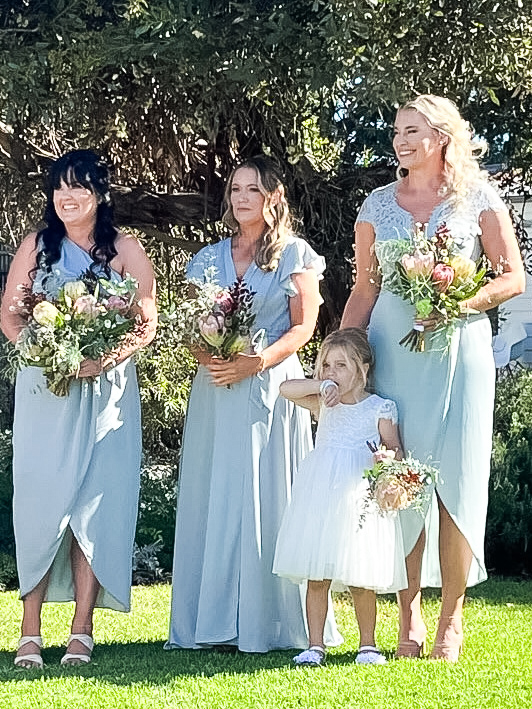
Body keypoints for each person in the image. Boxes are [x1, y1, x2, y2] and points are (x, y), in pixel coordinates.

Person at [341, 95, 525, 661]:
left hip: (462, 355)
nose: (400, 140)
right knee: (397, 480)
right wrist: (343, 356)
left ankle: (450, 617)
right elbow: (365, 290)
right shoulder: (376, 204)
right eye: (396, 130)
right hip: (395, 358)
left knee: (457, 484)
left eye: (412, 130)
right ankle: (408, 614)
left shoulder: (479, 200)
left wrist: (464, 302)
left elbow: (512, 277)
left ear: (443, 137)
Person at [166, 155, 341, 653]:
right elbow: (191, 322)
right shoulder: (207, 258)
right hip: (216, 387)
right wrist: (212, 358)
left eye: (252, 189)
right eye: (235, 189)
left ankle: (271, 622)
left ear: (274, 198)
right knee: (214, 491)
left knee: (266, 495)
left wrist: (256, 361)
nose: (241, 197)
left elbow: (304, 327)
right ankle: (211, 621)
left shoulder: (295, 254)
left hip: (270, 386)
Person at [0, 150, 157, 668]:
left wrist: (103, 358)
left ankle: (81, 630)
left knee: (95, 502)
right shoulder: (36, 246)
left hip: (106, 395)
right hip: (47, 391)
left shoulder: (127, 249)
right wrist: (44, 355)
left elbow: (145, 321)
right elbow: (10, 315)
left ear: (100, 195)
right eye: (60, 187)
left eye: (81, 188)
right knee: (40, 503)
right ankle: (28, 631)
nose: (68, 197)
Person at [273, 328, 407, 667]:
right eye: (326, 366)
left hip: (358, 497)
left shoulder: (380, 407)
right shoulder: (323, 402)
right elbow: (285, 389)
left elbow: (396, 450)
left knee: (361, 576)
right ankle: (315, 645)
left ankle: (368, 645)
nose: (332, 373)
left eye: (341, 366)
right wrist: (321, 386)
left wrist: (387, 460)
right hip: (321, 496)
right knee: (317, 575)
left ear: (362, 368)